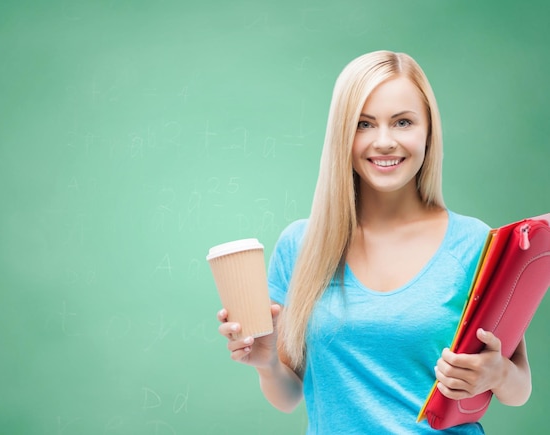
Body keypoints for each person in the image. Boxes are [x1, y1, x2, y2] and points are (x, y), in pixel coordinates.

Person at [216, 50, 532, 434]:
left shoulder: (477, 243)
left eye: (402, 122)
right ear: (341, 136)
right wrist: (267, 365)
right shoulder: (300, 245)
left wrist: (496, 374)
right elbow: (289, 396)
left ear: (428, 131)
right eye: (364, 124)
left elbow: (519, 388)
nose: (384, 141)